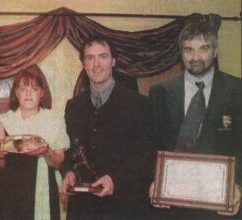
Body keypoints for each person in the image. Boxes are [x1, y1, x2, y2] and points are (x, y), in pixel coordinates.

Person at [149, 22, 242, 218]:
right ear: (181, 53)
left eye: (204, 49)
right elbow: (151, 144)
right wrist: (154, 180)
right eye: (189, 50)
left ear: (215, 51)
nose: (196, 57)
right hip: (173, 204)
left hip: (221, 204)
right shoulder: (160, 92)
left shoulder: (237, 90)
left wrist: (239, 185)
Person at [61, 36, 154, 219]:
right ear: (83, 64)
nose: (96, 64)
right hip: (82, 209)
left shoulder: (138, 104)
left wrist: (115, 179)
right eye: (90, 58)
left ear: (113, 61)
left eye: (102, 56)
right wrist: (69, 171)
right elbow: (70, 151)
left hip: (125, 207)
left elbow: (146, 156)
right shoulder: (73, 106)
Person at [0, 67, 69, 220]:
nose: (28, 94)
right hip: (10, 191)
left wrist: (46, 152)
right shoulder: (3, 120)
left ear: (42, 93)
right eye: (23, 89)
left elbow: (59, 162)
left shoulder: (55, 121)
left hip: (44, 190)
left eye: (34, 89)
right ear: (16, 93)